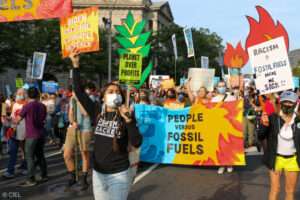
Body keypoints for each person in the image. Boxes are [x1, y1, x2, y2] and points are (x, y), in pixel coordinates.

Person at [70, 49, 143, 200]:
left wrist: (129, 120)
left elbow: (137, 142)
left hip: (120, 173)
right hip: (98, 173)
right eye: (110, 91)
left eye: (117, 92)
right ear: (103, 97)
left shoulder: (126, 114)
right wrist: (75, 65)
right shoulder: (96, 111)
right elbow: (78, 91)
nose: (114, 94)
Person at [259, 91, 300, 200]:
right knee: (275, 189)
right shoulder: (273, 117)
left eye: (290, 102)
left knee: (289, 191)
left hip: (293, 160)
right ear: (280, 103)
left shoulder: (298, 119)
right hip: (275, 158)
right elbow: (261, 136)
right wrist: (264, 125)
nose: (287, 104)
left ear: (296, 104)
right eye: (284, 102)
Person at [16, 87, 48, 187]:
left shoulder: (27, 106)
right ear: (38, 94)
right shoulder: (43, 106)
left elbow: (18, 120)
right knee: (40, 155)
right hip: (41, 133)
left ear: (28, 95)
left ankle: (31, 179)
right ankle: (44, 175)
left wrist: (12, 119)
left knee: (29, 157)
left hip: (31, 135)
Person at [63, 93, 93, 191]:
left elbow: (86, 113)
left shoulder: (89, 98)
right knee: (67, 154)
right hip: (73, 128)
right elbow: (70, 113)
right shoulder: (72, 99)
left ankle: (84, 178)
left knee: (84, 153)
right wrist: (72, 122)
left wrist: (79, 100)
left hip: (85, 129)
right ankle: (72, 176)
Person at [211, 80, 236, 174]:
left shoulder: (232, 98)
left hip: (229, 124)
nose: (221, 87)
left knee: (228, 144)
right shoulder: (214, 99)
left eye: (223, 86)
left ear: (226, 87)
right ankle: (221, 165)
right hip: (218, 125)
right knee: (219, 146)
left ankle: (229, 163)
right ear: (217, 88)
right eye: (220, 86)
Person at [3, 89, 27, 178]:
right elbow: (13, 117)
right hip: (14, 130)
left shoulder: (27, 105)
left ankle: (26, 167)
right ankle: (10, 171)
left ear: (25, 95)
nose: (18, 95)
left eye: (21, 94)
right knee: (13, 151)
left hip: (24, 131)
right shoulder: (15, 104)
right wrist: (8, 120)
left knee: (25, 151)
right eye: (17, 93)